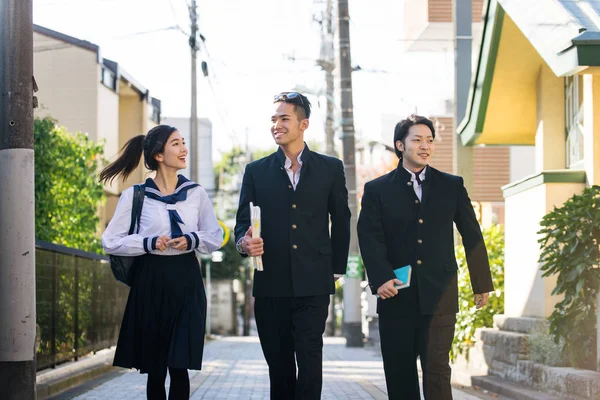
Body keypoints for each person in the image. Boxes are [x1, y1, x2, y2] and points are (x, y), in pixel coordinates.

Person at [357, 114, 494, 400]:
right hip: (395, 295)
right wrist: (381, 279)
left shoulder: (451, 186)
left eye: (429, 140)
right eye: (417, 140)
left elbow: (472, 235)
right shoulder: (377, 190)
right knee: (399, 373)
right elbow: (370, 239)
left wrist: (481, 283)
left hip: (440, 294)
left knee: (437, 372)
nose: (425, 146)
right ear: (399, 145)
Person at [234, 92, 351, 400]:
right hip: (271, 282)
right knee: (280, 366)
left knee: (310, 359)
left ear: (303, 124)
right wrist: (244, 243)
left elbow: (341, 219)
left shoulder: (330, 168)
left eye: (284, 118)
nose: (277, 125)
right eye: (273, 119)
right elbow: (242, 225)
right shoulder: (256, 172)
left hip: (314, 283)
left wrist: (336, 269)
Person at [100, 125, 223, 400]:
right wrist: (147, 242)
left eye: (183, 143)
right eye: (176, 144)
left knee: (180, 364)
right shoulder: (136, 195)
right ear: (158, 154)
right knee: (156, 367)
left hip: (186, 279)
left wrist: (191, 239)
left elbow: (215, 236)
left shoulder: (196, 193)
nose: (184, 150)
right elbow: (110, 240)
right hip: (151, 279)